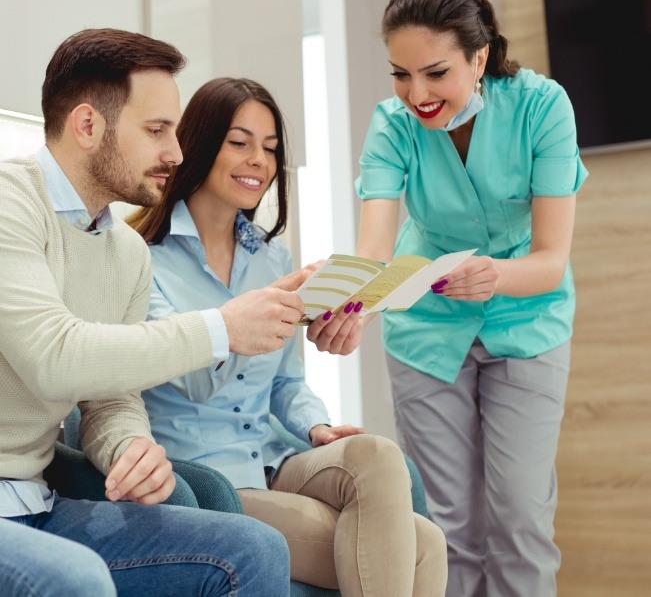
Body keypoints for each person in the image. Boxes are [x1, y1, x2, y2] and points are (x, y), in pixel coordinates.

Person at [0, 28, 302, 596]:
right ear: (88, 126)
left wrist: (129, 446)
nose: (177, 153)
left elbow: (109, 397)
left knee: (254, 547)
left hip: (37, 502)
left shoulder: (126, 253)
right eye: (157, 130)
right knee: (77, 579)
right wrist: (223, 328)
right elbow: (54, 357)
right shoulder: (9, 204)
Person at [127, 77, 448, 597]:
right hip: (208, 479)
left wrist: (316, 426)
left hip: (275, 456)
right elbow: (192, 381)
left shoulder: (271, 257)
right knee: (424, 546)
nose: (259, 159)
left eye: (271, 148)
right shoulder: (141, 257)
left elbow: (286, 383)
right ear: (200, 143)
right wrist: (253, 312)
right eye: (240, 142)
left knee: (379, 455)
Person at [348, 0, 588, 597]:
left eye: (435, 73)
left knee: (521, 517)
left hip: (526, 320)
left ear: (478, 58)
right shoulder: (392, 125)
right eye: (401, 75)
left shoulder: (542, 107)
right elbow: (374, 248)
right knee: (445, 525)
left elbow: (550, 260)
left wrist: (495, 277)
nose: (416, 94)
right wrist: (346, 302)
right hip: (425, 326)